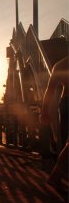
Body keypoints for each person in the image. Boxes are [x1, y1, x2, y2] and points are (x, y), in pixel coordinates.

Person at [40, 56, 69, 192]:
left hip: (64, 104)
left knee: (66, 141)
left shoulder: (59, 65)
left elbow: (49, 90)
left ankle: (58, 175)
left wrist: (45, 111)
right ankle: (56, 176)